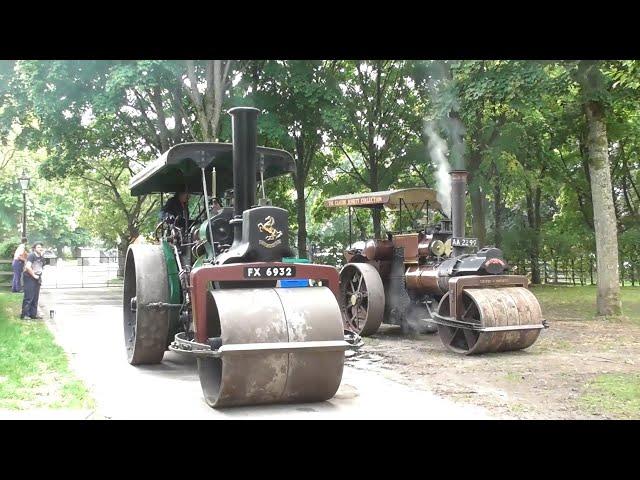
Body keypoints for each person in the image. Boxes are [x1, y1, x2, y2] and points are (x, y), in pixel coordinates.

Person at [21, 242, 45, 320]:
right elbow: (28, 267)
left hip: (37, 278)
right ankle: (25, 314)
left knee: (35, 297)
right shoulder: (31, 255)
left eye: (41, 247)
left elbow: (41, 267)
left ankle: (33, 314)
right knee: (29, 296)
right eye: (38, 247)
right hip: (29, 277)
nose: (40, 248)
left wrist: (38, 276)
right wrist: (34, 275)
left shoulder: (41, 256)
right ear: (34, 248)